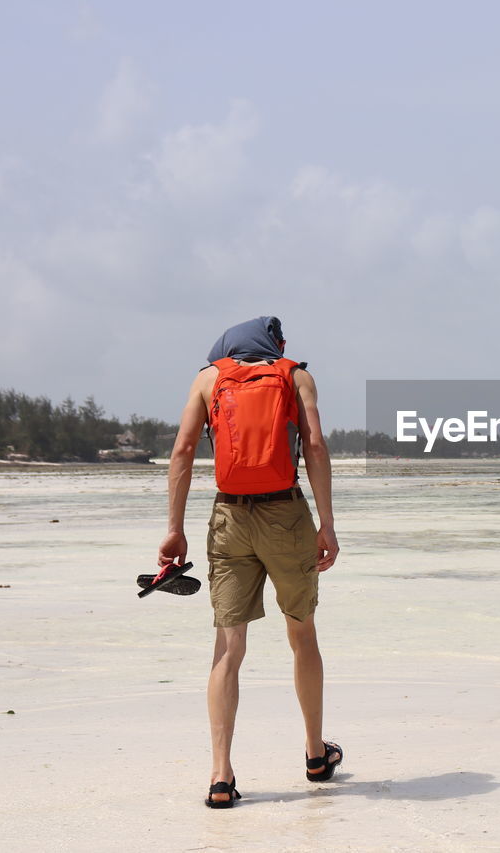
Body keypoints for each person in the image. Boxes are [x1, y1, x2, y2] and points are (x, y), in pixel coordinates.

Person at [157, 316, 341, 808]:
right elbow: (317, 448)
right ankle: (315, 754)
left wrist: (174, 529)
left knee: (228, 647)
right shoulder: (295, 375)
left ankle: (221, 776)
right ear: (274, 344)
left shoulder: (209, 378)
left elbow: (182, 451)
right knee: (301, 633)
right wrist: (326, 523)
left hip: (228, 518)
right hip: (286, 515)